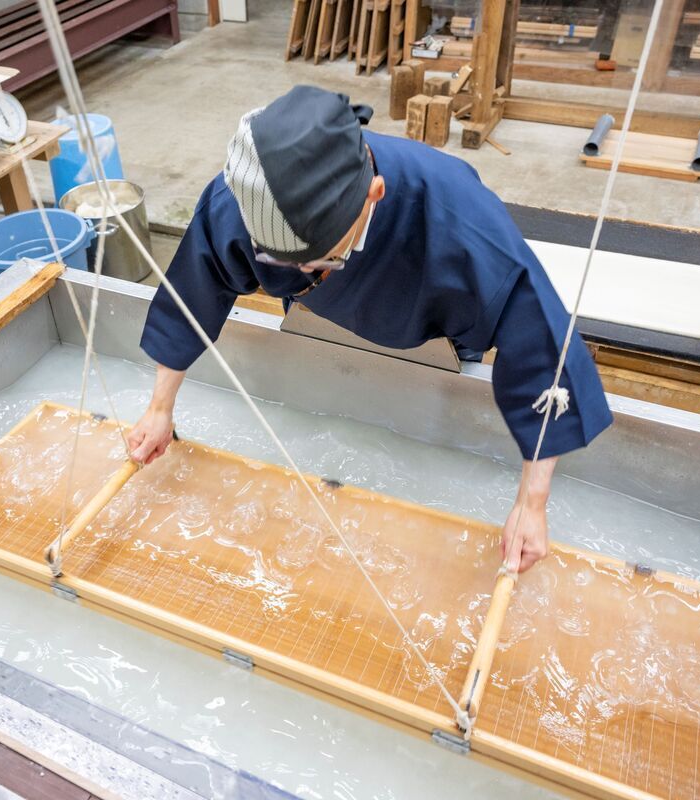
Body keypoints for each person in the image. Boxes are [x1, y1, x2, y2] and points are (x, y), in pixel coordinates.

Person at [126, 85, 613, 573]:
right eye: (280, 260)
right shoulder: (248, 197)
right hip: (324, 316)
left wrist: (532, 505)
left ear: (373, 195)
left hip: (430, 329)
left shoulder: (461, 221)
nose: (301, 272)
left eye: (319, 259)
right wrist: (158, 409)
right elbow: (194, 288)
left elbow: (542, 346)